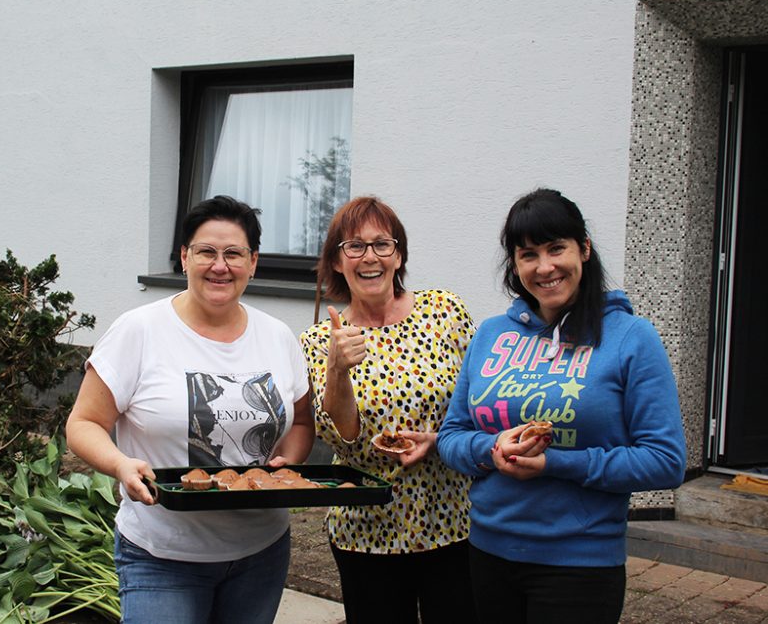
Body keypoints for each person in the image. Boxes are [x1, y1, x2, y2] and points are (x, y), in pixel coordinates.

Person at [437, 187, 687, 624]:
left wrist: (554, 463)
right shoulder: (492, 335)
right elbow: (452, 436)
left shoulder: (632, 338)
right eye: (528, 254)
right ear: (515, 264)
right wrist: (491, 450)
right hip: (486, 552)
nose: (545, 267)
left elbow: (665, 461)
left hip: (580, 563)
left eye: (557, 248)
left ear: (584, 249)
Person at [66, 195, 314, 624]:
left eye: (234, 253)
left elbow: (303, 422)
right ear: (185, 257)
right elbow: (83, 423)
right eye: (206, 252)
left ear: (253, 262)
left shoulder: (277, 336)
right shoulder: (139, 330)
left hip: (261, 553)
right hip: (162, 554)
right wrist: (122, 465)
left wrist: (287, 465)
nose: (221, 265)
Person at [299, 195, 477, 623]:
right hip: (367, 533)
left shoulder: (444, 311)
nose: (370, 257)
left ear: (399, 256)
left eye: (382, 244)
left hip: (453, 521)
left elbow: (478, 403)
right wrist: (338, 368)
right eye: (354, 247)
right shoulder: (321, 339)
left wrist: (439, 441)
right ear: (337, 263)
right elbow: (344, 440)